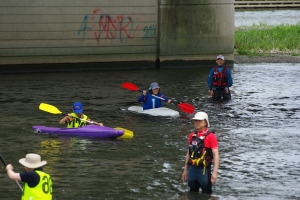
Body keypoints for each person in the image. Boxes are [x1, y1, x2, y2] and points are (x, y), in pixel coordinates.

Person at [182, 112, 219, 194]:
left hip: (204, 169)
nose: (197, 123)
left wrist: (215, 172)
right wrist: (185, 170)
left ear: (205, 122)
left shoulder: (211, 136)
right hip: (192, 168)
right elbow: (188, 152)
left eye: (199, 121)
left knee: (206, 193)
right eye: (195, 121)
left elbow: (216, 155)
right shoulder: (192, 135)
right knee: (192, 191)